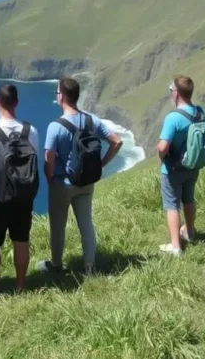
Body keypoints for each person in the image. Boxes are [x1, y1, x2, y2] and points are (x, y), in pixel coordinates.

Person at [39, 77, 123, 274]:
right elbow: (117, 142)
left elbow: (48, 158)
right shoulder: (91, 120)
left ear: (62, 97)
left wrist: (50, 177)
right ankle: (90, 266)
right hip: (86, 181)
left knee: (58, 226)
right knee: (86, 223)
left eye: (57, 93)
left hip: (63, 183)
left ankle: (57, 265)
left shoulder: (55, 126)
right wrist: (101, 164)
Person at [0, 84, 40, 294]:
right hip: (23, 196)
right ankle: (20, 284)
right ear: (17, 103)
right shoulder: (32, 131)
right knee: (21, 240)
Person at [156, 75, 205, 255]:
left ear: (176, 93)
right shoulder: (201, 113)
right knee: (188, 199)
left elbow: (163, 146)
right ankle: (190, 232)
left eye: (171, 90)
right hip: (193, 165)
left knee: (171, 205)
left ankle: (175, 246)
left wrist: (160, 155)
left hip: (172, 169)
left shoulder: (173, 118)